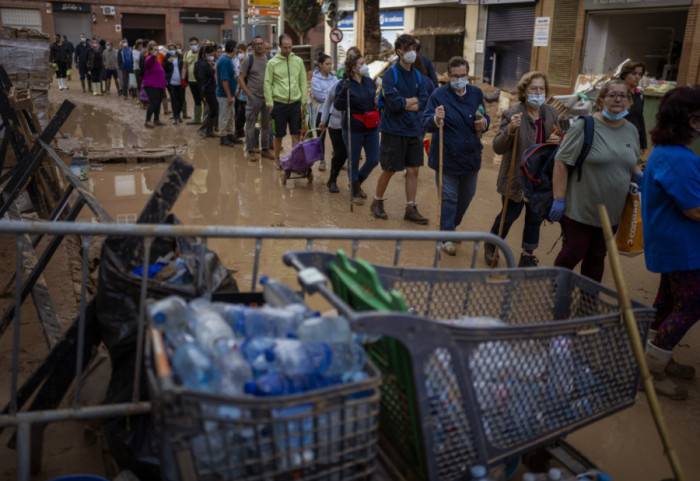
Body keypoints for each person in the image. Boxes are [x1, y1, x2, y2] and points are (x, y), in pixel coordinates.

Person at [549, 79, 642, 282]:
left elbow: (632, 163)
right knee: (574, 252)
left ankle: (587, 302)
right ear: (601, 100)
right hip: (580, 210)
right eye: (612, 95)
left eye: (623, 95)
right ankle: (556, 291)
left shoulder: (631, 130)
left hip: (612, 214)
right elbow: (561, 162)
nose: (618, 99)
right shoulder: (584, 126)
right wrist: (559, 199)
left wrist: (640, 175)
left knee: (597, 257)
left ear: (629, 100)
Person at [641, 85, 700, 400]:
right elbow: (694, 209)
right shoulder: (678, 158)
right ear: (687, 119)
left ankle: (654, 355)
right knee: (691, 305)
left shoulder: (666, 151)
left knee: (667, 302)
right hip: (684, 249)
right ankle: (652, 369)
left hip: (672, 245)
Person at [484, 71, 560, 267]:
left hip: (540, 179)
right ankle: (492, 243)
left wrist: (559, 139)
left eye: (541, 89)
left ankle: (527, 254)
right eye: (533, 88)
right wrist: (510, 129)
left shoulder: (551, 113)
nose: (538, 92)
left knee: (535, 218)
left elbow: (561, 140)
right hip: (516, 177)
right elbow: (497, 147)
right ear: (524, 91)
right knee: (509, 215)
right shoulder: (513, 114)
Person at [422, 57, 489, 256]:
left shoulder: (476, 93)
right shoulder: (438, 95)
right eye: (455, 76)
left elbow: (483, 115)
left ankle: (451, 225)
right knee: (449, 197)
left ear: (467, 75)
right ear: (449, 76)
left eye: (463, 76)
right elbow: (425, 122)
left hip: (470, 156)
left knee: (467, 195)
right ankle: (446, 235)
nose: (459, 79)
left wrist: (484, 122)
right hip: (446, 155)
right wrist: (436, 118)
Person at [369, 34, 429, 224]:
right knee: (389, 169)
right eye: (409, 49)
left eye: (414, 48)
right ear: (399, 52)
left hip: (413, 129)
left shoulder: (418, 76)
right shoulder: (390, 74)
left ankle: (410, 207)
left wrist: (404, 102)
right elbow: (393, 104)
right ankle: (377, 202)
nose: (413, 52)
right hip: (392, 130)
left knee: (413, 170)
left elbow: (425, 102)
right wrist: (410, 102)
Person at [332, 54, 380, 204]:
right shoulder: (344, 84)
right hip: (353, 128)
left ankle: (357, 181)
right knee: (353, 160)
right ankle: (354, 191)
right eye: (361, 63)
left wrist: (378, 101)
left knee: (373, 159)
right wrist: (343, 92)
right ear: (353, 67)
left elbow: (376, 99)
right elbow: (338, 106)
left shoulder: (369, 82)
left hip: (371, 127)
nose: (365, 65)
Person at [264, 34, 307, 168]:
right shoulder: (272, 63)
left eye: (290, 48)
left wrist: (303, 101)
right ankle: (277, 158)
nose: (288, 51)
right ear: (279, 47)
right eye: (285, 48)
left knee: (296, 134)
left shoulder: (298, 61)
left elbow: (303, 82)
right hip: (278, 104)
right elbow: (267, 83)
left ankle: (294, 160)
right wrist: (270, 103)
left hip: (295, 104)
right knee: (279, 135)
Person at [239, 36, 274, 161]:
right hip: (254, 97)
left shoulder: (270, 59)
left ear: (264, 45)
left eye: (261, 43)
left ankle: (265, 149)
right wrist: (248, 94)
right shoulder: (249, 59)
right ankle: (250, 150)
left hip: (267, 97)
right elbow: (241, 77)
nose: (259, 46)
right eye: (256, 44)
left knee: (266, 125)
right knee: (251, 125)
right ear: (253, 47)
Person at [319, 76, 346, 193]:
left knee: (349, 154)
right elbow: (327, 102)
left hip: (354, 125)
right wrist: (323, 120)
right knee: (340, 153)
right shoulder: (338, 84)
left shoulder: (364, 84)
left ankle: (356, 183)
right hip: (336, 124)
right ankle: (333, 179)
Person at [309, 54, 335, 171]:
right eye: (327, 64)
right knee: (321, 137)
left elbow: (337, 94)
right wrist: (330, 95)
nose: (329, 66)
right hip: (321, 111)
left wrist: (326, 93)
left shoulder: (334, 78)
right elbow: (318, 95)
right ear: (320, 65)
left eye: (330, 64)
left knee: (336, 137)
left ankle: (337, 159)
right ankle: (322, 160)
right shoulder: (315, 79)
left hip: (334, 112)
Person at [216, 39, 242, 146]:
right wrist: (228, 96)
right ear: (233, 49)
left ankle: (230, 134)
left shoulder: (228, 59)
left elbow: (233, 76)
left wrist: (234, 90)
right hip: (224, 95)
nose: (237, 50)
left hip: (230, 94)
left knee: (231, 115)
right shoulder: (225, 61)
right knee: (224, 116)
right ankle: (223, 137)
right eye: (236, 47)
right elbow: (224, 80)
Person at [619, 60, 647, 156]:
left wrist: (643, 143)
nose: (637, 77)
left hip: (633, 138)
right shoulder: (617, 93)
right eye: (633, 73)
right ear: (624, 74)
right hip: (618, 137)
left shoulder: (639, 95)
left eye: (640, 74)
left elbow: (640, 117)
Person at [195, 44, 218, 138]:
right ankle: (203, 128)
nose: (213, 56)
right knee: (213, 110)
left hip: (211, 89)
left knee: (212, 109)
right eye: (211, 54)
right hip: (207, 90)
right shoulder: (202, 63)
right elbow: (204, 77)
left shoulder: (207, 62)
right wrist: (214, 68)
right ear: (206, 53)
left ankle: (209, 130)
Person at [142, 42, 167, 127]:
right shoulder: (149, 58)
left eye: (158, 50)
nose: (157, 52)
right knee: (153, 102)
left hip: (159, 85)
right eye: (155, 50)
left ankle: (156, 119)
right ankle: (147, 120)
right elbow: (148, 63)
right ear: (151, 51)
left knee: (158, 102)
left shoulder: (156, 60)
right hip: (151, 85)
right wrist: (153, 55)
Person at [164, 43, 185, 124]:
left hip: (180, 82)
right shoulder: (167, 58)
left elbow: (184, 68)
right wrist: (168, 62)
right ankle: (175, 116)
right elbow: (164, 68)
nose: (172, 51)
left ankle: (179, 114)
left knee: (181, 100)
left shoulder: (181, 57)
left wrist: (185, 80)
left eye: (173, 49)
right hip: (171, 82)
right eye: (170, 49)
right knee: (173, 99)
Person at [182, 37, 201, 124]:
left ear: (198, 44)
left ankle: (206, 119)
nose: (193, 46)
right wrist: (183, 79)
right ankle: (197, 119)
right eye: (191, 44)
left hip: (201, 81)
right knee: (196, 100)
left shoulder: (201, 53)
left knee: (205, 100)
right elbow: (184, 67)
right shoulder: (187, 54)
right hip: (191, 81)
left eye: (195, 44)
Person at [233, 42, 248, 139]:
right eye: (238, 52)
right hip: (238, 90)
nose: (240, 54)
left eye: (241, 52)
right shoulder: (235, 61)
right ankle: (239, 131)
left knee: (244, 113)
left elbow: (242, 77)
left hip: (246, 90)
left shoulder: (248, 61)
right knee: (239, 113)